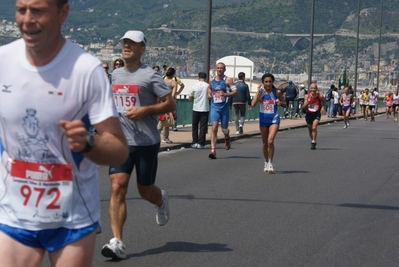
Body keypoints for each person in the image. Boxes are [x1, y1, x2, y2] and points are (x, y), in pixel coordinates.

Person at [0, 1, 129, 266]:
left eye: (37, 11)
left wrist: (87, 142)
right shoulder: (3, 61)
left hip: (71, 216)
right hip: (14, 212)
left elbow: (119, 148)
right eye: (21, 9)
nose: (27, 19)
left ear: (63, 13)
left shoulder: (86, 70)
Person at [101, 30, 175, 260]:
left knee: (145, 191)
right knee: (117, 187)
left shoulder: (150, 76)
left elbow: (169, 103)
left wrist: (145, 110)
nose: (127, 46)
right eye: (124, 42)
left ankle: (160, 199)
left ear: (142, 49)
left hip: (146, 142)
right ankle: (117, 243)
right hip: (121, 142)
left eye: (132, 43)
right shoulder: (115, 76)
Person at [249, 73, 286, 173]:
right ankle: (266, 161)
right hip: (263, 119)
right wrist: (257, 92)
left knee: (270, 141)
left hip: (274, 119)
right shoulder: (261, 92)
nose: (268, 83)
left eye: (270, 81)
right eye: (266, 82)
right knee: (265, 143)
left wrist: (280, 103)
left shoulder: (276, 92)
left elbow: (285, 104)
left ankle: (270, 162)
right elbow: (252, 104)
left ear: (272, 82)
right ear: (263, 83)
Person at [207, 62, 237, 159]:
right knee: (214, 127)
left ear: (224, 69)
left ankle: (227, 137)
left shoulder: (228, 80)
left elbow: (235, 92)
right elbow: (209, 88)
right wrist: (209, 94)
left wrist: (225, 95)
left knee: (224, 129)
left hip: (224, 108)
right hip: (215, 107)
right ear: (216, 69)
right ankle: (213, 150)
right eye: (218, 68)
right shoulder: (212, 80)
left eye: (221, 68)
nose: (219, 69)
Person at [188, 72, 210, 149]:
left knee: (195, 126)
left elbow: (190, 98)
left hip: (196, 108)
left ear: (198, 77)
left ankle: (195, 142)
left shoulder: (194, 86)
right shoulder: (208, 86)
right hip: (205, 108)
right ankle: (201, 143)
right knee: (203, 126)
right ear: (206, 77)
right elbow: (210, 96)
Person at [303, 83, 326, 149]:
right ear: (310, 89)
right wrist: (307, 102)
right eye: (312, 88)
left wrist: (322, 107)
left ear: (316, 89)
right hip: (309, 114)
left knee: (314, 127)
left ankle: (313, 141)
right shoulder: (307, 96)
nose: (313, 89)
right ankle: (312, 139)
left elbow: (324, 102)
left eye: (314, 88)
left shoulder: (320, 96)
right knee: (310, 129)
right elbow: (304, 107)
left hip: (316, 113)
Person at [158, 67, 177, 143]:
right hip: (169, 103)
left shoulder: (162, 81)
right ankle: (164, 137)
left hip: (161, 102)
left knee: (162, 119)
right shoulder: (173, 82)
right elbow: (173, 94)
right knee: (167, 120)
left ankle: (164, 137)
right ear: (173, 74)